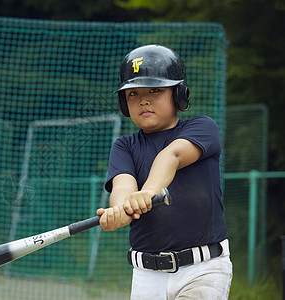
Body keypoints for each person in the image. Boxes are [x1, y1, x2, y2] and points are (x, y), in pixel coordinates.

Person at [96, 44, 233, 299]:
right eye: (133, 93)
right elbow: (123, 188)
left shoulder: (203, 128)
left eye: (156, 90)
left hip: (203, 270)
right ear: (124, 103)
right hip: (146, 276)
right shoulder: (124, 146)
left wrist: (147, 191)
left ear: (179, 94)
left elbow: (170, 156)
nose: (143, 100)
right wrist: (120, 211)